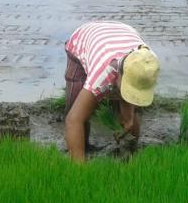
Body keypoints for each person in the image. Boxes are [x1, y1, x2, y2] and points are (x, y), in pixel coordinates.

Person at [64, 21, 160, 162]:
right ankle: (82, 148)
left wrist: (129, 117)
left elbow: (131, 95)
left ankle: (130, 154)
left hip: (123, 32)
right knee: (76, 105)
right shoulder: (102, 74)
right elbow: (73, 120)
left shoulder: (148, 64)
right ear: (118, 75)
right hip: (84, 37)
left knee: (130, 115)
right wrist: (80, 173)